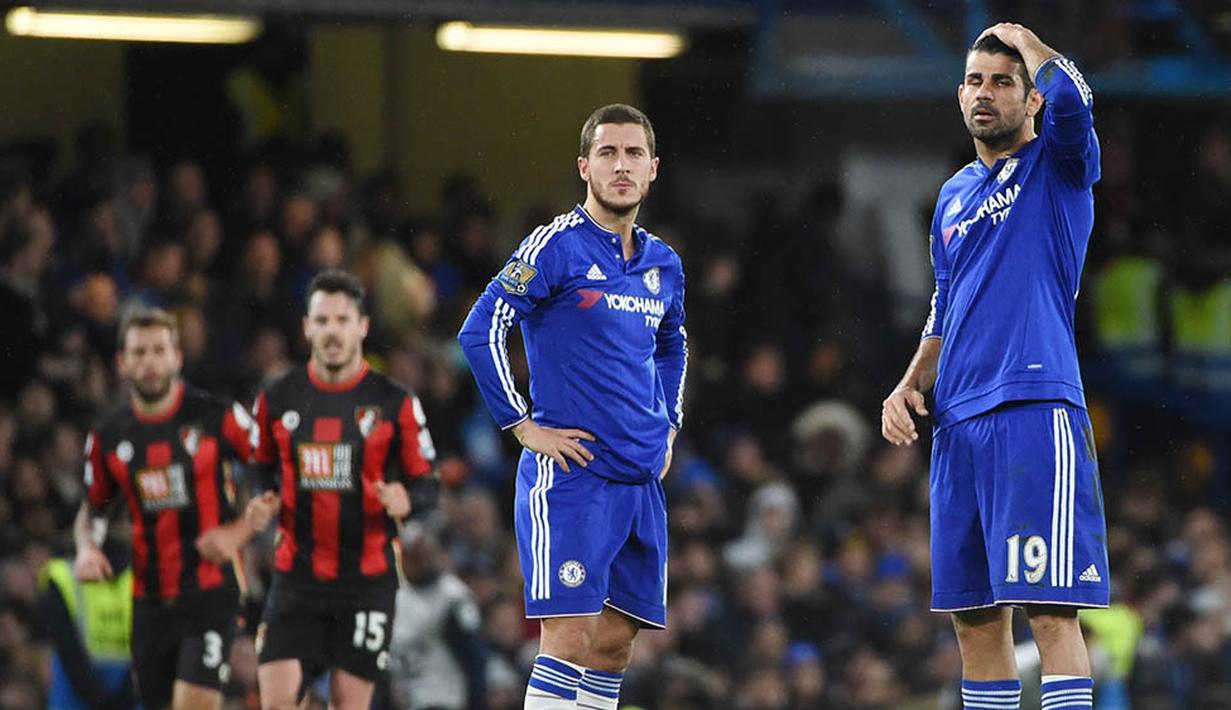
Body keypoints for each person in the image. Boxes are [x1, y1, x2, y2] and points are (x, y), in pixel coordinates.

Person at [880, 23, 1106, 710]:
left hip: (1033, 407)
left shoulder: (1059, 165)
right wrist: (909, 380)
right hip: (958, 424)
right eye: (975, 81)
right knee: (975, 620)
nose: (984, 93)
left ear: (1030, 99)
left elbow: (1077, 101)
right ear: (958, 94)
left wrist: (1032, 46)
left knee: (1048, 610)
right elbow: (944, 306)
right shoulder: (951, 196)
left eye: (1003, 82)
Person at [457, 103, 688, 710]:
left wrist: (668, 426)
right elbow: (481, 329)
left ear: (654, 168)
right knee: (568, 636)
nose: (621, 166)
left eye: (634, 153)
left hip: (640, 479)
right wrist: (521, 425)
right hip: (572, 477)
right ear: (583, 166)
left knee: (613, 646)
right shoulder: (555, 246)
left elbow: (674, 342)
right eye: (608, 153)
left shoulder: (664, 263)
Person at [246, 269, 437, 710]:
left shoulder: (394, 401)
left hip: (366, 581)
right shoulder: (277, 398)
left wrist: (407, 499)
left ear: (362, 326)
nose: (333, 331)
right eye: (323, 320)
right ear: (307, 327)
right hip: (297, 577)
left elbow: (427, 485)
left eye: (342, 320)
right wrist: (263, 497)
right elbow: (260, 468)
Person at [74, 307, 259, 710]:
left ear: (177, 357)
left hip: (211, 594)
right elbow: (94, 510)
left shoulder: (217, 417)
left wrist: (237, 533)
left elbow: (276, 476)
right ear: (122, 363)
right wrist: (89, 548)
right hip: (149, 602)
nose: (150, 362)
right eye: (139, 353)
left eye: (159, 350)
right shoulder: (109, 437)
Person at [387, 522, 488, 710]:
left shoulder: (453, 596)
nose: (419, 562)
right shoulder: (395, 595)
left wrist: (477, 703)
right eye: (411, 557)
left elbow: (474, 658)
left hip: (444, 700)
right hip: (405, 701)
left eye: (422, 555)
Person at [39, 533, 138, 710]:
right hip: (77, 693)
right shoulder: (62, 575)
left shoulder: (139, 573)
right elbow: (67, 647)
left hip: (127, 689)